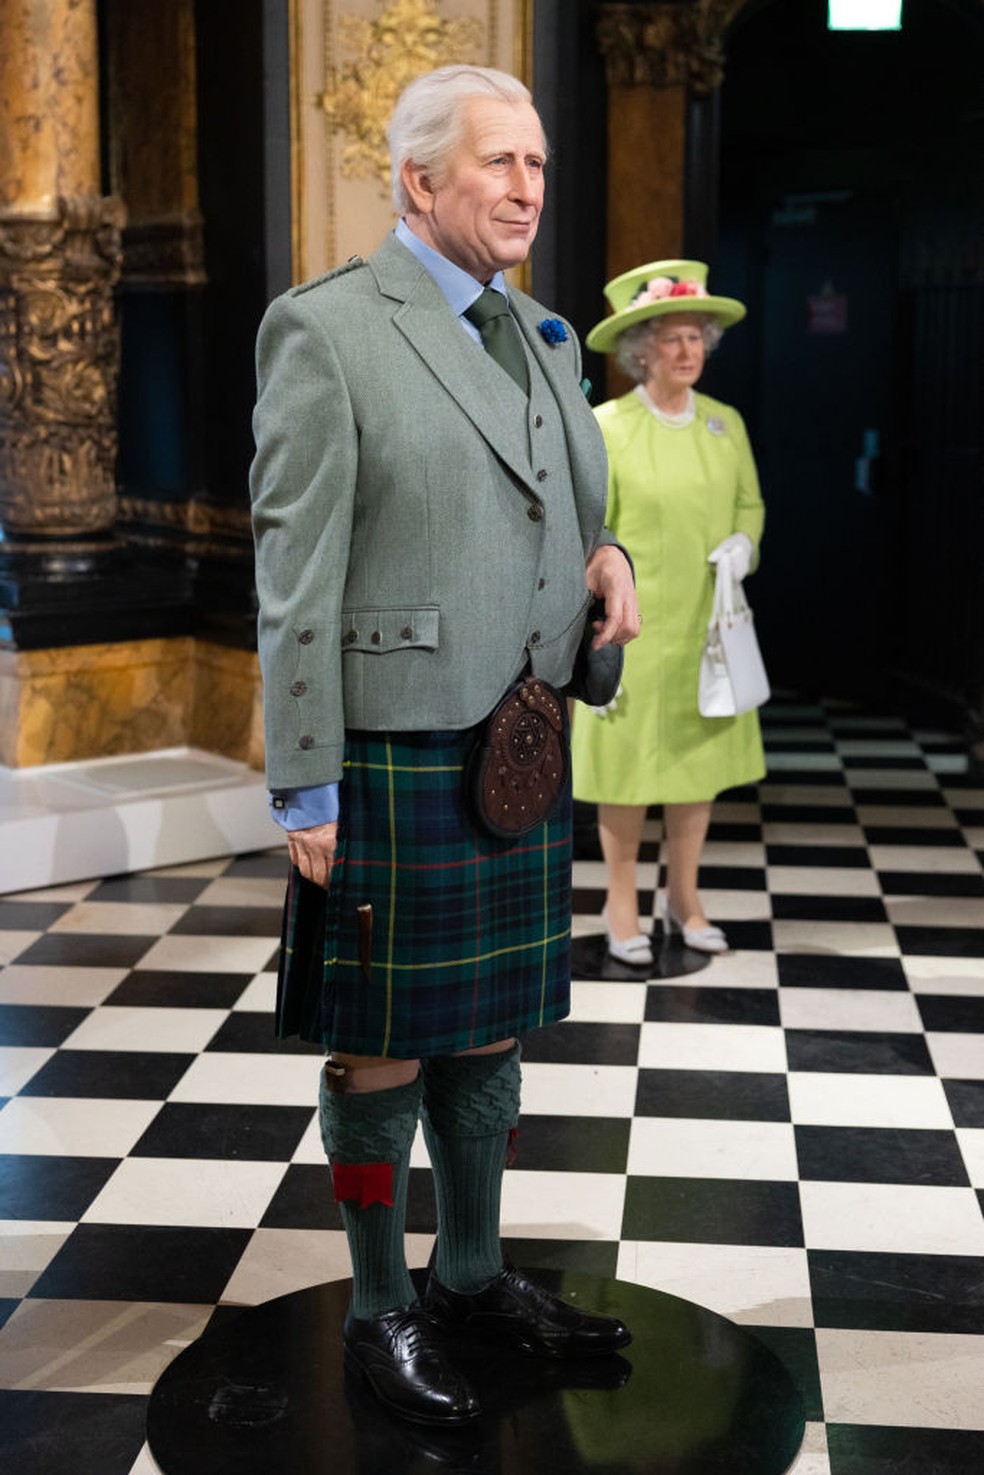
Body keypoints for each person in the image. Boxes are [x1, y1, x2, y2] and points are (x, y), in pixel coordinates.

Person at [249, 65, 639, 1427]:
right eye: (499, 164)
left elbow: (558, 514)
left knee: (492, 1035)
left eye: (537, 162)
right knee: (381, 1047)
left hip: (519, 740)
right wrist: (304, 770)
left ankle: (470, 1275)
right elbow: (294, 572)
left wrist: (611, 560)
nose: (529, 186)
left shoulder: (543, 334)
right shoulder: (330, 331)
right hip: (394, 749)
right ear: (420, 182)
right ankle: (378, 1309)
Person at [570, 259, 765, 965]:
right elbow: (587, 531)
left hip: (706, 630)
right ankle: (621, 903)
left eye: (695, 338)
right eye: (671, 338)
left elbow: (750, 503)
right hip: (630, 630)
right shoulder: (608, 426)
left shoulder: (725, 424)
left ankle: (685, 898)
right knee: (627, 775)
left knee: (693, 771)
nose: (687, 352)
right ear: (640, 349)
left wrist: (745, 541)